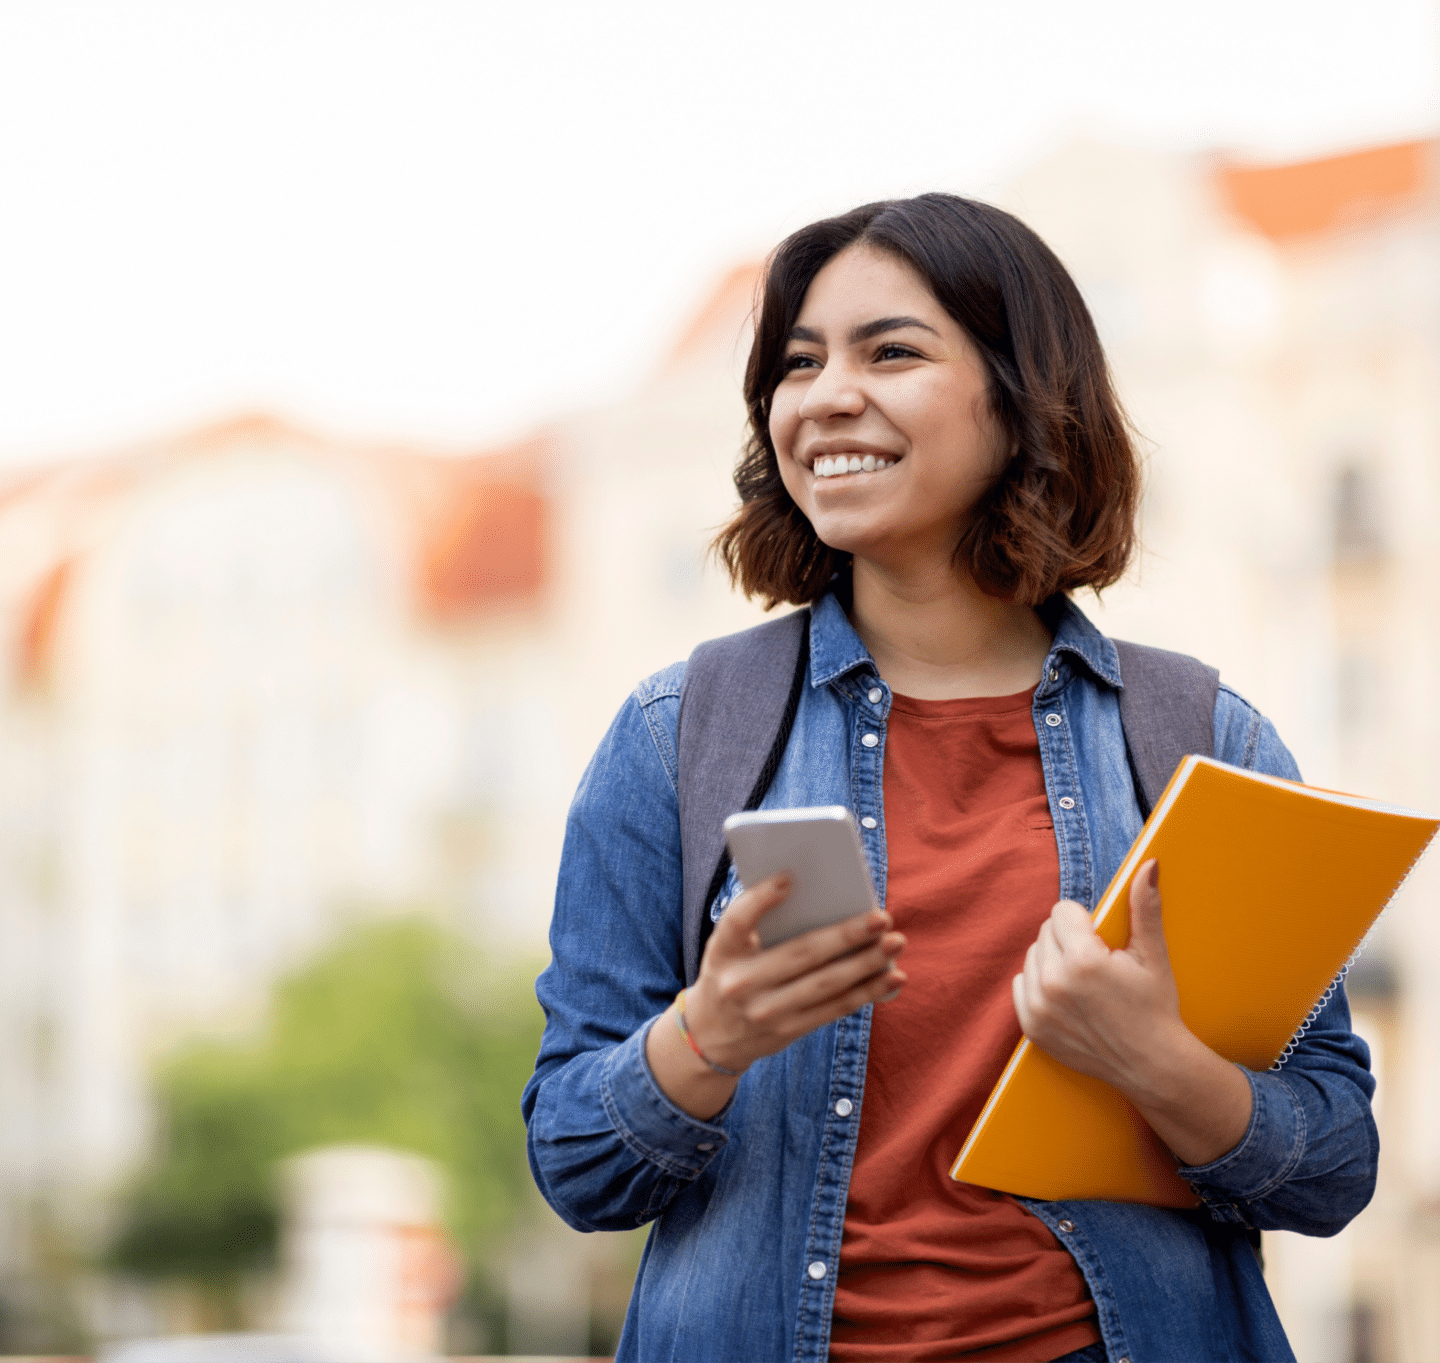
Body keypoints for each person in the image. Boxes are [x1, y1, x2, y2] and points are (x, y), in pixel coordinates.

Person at [521, 194, 1377, 1363]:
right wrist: (707, 1035)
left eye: (892, 352)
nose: (825, 396)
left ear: (1024, 399)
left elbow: (1333, 1164)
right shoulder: (679, 736)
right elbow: (576, 1161)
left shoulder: (1201, 741)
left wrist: (1156, 1063)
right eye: (798, 363)